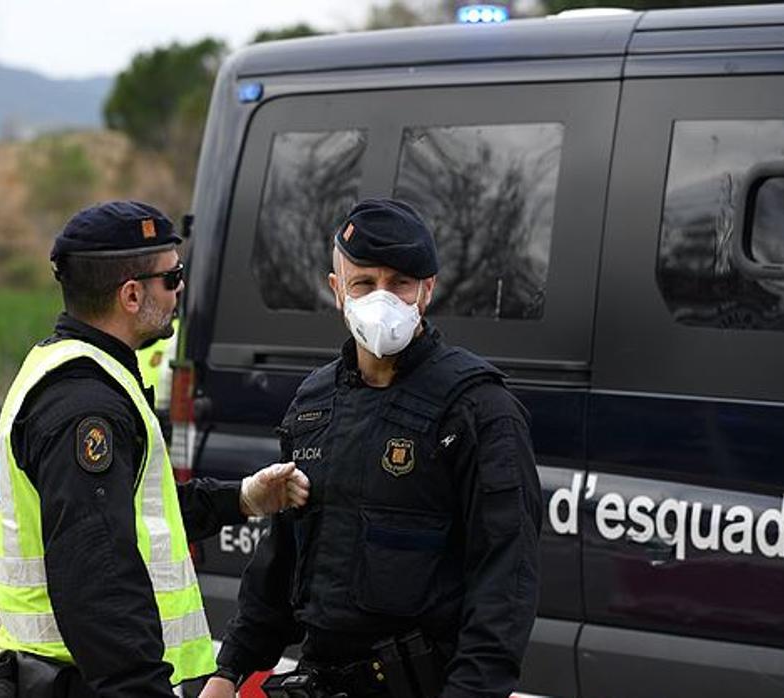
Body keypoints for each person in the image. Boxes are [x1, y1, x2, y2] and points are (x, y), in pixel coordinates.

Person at [201, 198, 542, 698]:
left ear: (427, 289)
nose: (382, 299)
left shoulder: (477, 409)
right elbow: (281, 561)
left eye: (399, 283)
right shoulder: (314, 403)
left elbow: (505, 581)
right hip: (320, 679)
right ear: (338, 290)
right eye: (364, 283)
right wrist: (228, 670)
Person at [0, 200, 310, 698]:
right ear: (132, 295)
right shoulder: (85, 406)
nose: (182, 290)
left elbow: (134, 515)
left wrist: (242, 498)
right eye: (173, 276)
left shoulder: (74, 370)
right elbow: (97, 577)